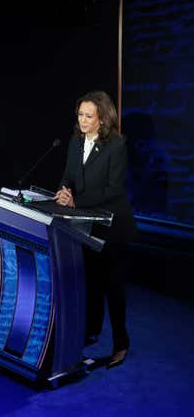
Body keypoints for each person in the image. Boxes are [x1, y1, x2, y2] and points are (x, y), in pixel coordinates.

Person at [54, 90, 137, 369]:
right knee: (91, 281)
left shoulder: (116, 145)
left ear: (102, 119)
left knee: (113, 287)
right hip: (86, 223)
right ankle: (91, 330)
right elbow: (68, 175)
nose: (83, 120)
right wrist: (64, 192)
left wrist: (77, 201)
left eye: (89, 116)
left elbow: (113, 190)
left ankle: (121, 344)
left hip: (113, 226)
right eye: (80, 115)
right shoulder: (75, 142)